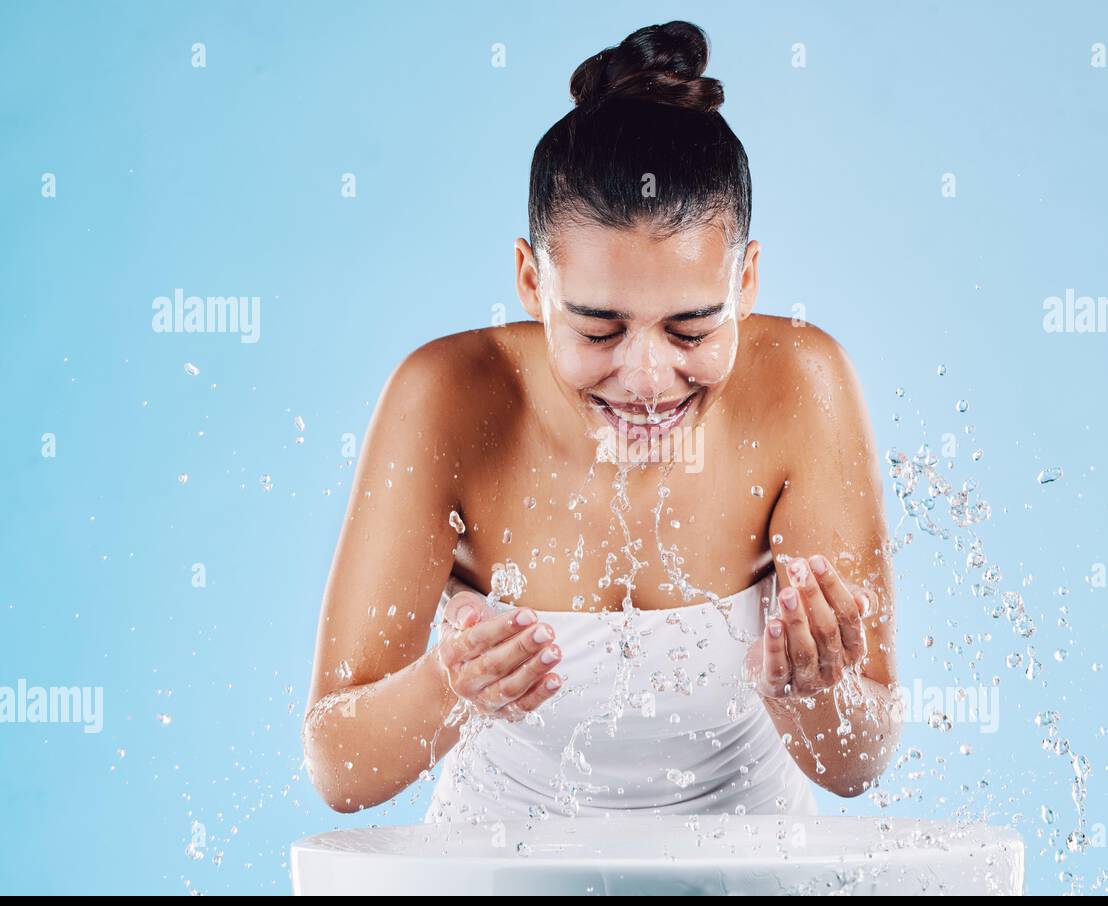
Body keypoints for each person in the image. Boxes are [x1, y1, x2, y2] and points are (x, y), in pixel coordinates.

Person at [302, 21, 899, 821]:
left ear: (746, 283)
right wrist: (447, 685)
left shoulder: (802, 386)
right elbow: (340, 769)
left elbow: (859, 765)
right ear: (530, 280)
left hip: (753, 869)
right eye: (598, 329)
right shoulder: (447, 397)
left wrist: (809, 697)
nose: (649, 380)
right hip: (498, 870)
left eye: (692, 329)